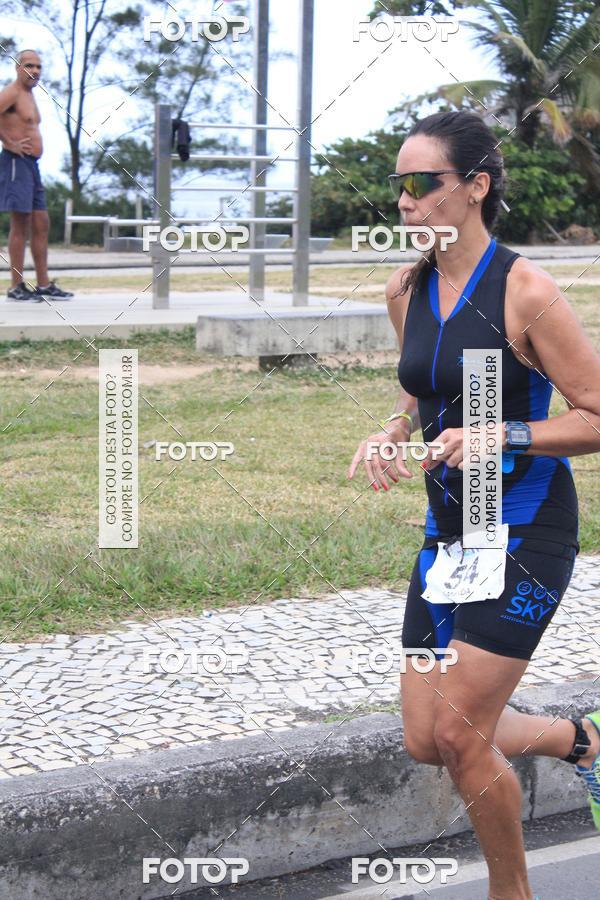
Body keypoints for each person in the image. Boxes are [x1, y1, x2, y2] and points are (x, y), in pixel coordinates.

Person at [348, 110, 600, 900]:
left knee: (461, 731)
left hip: (526, 525)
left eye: (422, 184)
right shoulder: (406, 286)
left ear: (476, 188)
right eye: (398, 186)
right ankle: (580, 739)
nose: (404, 202)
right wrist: (392, 431)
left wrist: (505, 435)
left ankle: (510, 893)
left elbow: (595, 413)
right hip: (450, 534)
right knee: (427, 738)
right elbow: (424, 382)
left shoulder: (525, 289)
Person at [0, 49, 73, 302]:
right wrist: (9, 143)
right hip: (16, 163)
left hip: (33, 165)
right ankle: (16, 286)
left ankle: (43, 285)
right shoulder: (12, 92)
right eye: (30, 65)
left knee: (41, 223)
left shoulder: (30, 95)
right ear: (18, 67)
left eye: (39, 67)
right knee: (20, 224)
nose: (35, 71)